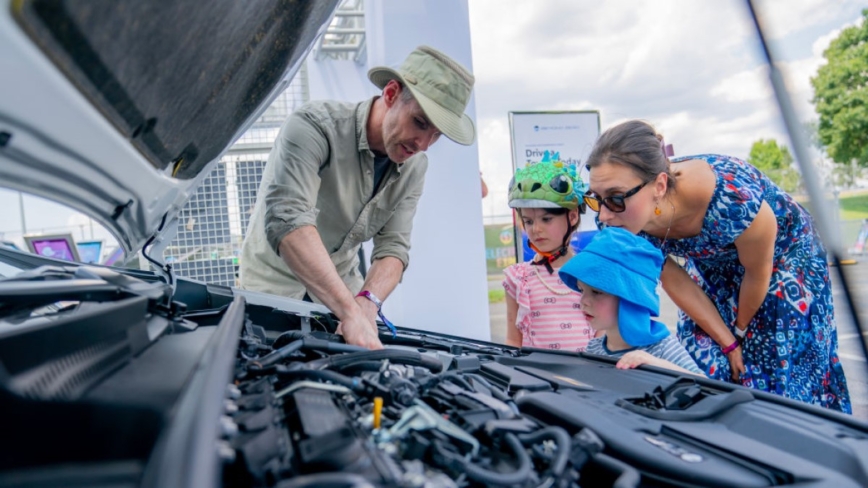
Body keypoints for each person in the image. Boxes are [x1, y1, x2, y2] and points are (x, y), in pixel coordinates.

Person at [583, 119, 850, 412]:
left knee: (768, 363)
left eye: (615, 198)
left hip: (781, 262)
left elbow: (758, 271)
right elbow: (674, 279)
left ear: (659, 185)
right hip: (711, 263)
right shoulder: (619, 216)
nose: (604, 215)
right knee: (704, 360)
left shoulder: (731, 195)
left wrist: (739, 334)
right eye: (596, 198)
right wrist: (727, 344)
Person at [239, 46, 476, 349]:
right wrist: (350, 312)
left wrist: (366, 303)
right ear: (391, 94)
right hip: (272, 292)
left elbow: (394, 248)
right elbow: (290, 224)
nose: (424, 145)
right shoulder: (314, 126)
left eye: (437, 134)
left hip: (344, 298)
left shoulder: (415, 166)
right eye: (420, 122)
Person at [559, 227, 703, 375]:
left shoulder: (661, 347)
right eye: (582, 290)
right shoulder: (594, 348)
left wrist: (656, 363)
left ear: (631, 299)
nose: (583, 301)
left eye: (596, 292)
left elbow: (705, 386)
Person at [502, 156, 597, 351]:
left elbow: (604, 334)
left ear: (572, 216)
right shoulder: (518, 278)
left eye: (546, 219)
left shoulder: (592, 271)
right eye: (528, 221)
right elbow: (513, 340)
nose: (536, 229)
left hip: (587, 375)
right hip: (538, 377)